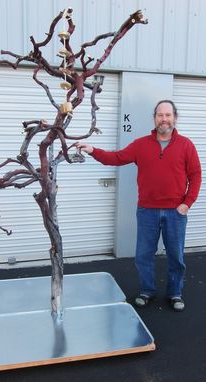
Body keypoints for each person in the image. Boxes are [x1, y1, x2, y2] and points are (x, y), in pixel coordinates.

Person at [76, 100, 201, 312]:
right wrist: (92, 150)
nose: (164, 119)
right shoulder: (141, 144)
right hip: (147, 211)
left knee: (176, 257)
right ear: (154, 118)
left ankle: (175, 293)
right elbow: (115, 158)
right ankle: (147, 291)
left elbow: (195, 175)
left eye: (168, 115)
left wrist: (187, 203)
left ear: (175, 118)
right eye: (160, 115)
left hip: (176, 212)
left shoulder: (186, 145)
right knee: (143, 255)